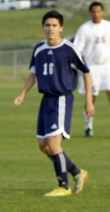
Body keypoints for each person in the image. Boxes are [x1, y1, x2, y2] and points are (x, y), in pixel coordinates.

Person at [14, 10, 93, 197]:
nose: (51, 29)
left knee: (54, 142)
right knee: (44, 145)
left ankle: (63, 185)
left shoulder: (69, 49)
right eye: (47, 25)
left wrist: (89, 100)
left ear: (61, 28)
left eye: (54, 26)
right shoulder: (39, 49)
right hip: (46, 100)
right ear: (43, 27)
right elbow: (33, 74)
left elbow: (86, 73)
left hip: (61, 99)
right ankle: (77, 172)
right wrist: (22, 94)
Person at [74, 1, 110, 137]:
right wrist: (80, 66)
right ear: (90, 13)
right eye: (93, 12)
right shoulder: (84, 29)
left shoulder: (108, 26)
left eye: (98, 11)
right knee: (91, 97)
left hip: (107, 66)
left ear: (102, 12)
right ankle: (88, 126)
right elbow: (77, 49)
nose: (96, 14)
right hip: (92, 68)